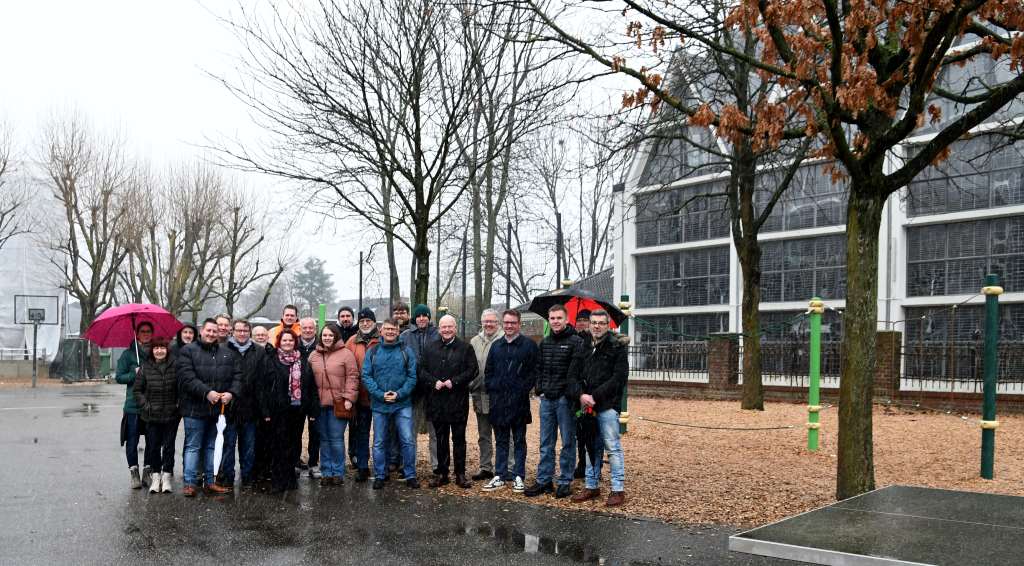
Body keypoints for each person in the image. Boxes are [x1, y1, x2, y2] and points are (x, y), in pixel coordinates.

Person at [176, 318, 242, 497]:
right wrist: (207, 392)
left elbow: (237, 376)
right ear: (201, 331)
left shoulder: (226, 353)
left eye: (214, 331)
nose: (212, 334)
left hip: (217, 410)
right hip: (194, 409)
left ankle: (210, 481)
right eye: (209, 331)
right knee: (193, 446)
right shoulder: (188, 351)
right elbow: (186, 378)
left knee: (212, 446)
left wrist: (231, 393)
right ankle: (190, 483)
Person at [568, 310, 628, 507]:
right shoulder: (583, 346)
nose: (596, 326)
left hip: (607, 405)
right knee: (589, 446)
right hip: (586, 405)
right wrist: (581, 395)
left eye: (601, 323)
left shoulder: (616, 348)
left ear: (607, 325)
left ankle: (618, 489)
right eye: (593, 322)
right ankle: (591, 485)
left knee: (612, 447)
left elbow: (618, 378)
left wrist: (596, 396)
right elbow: (572, 375)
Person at [525, 304, 584, 499]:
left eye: (559, 318)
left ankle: (565, 481)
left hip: (565, 400)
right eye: (552, 318)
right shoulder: (545, 342)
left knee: (568, 441)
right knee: (546, 442)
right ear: (548, 320)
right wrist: (539, 388)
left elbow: (575, 372)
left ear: (566, 320)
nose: (556, 321)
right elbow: (538, 368)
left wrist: (568, 393)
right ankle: (544, 480)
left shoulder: (576, 342)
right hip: (547, 400)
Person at [481, 309, 539, 494]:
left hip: (519, 401)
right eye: (506, 323)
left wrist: (522, 388)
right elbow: (488, 372)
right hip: (499, 401)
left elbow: (534, 371)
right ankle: (500, 474)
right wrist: (494, 386)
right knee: (501, 439)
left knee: (519, 440)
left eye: (512, 323)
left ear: (519, 324)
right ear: (502, 324)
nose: (509, 326)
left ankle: (518, 475)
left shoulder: (529, 346)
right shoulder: (496, 346)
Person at [419, 315, 477, 488]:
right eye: (443, 327)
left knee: (459, 439)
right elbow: (421, 370)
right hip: (436, 401)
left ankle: (460, 474)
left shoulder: (466, 348)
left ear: (455, 328)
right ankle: (442, 473)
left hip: (457, 401)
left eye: (449, 327)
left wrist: (455, 381)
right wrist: (432, 382)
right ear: (439, 329)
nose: (446, 330)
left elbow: (473, 369)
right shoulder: (430, 348)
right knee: (440, 438)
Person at [363, 318, 419, 490]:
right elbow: (366, 376)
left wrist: (399, 394)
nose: (390, 332)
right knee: (379, 441)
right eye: (387, 329)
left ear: (397, 331)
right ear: (381, 330)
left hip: (402, 403)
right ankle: (380, 474)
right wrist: (380, 394)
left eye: (393, 329)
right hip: (380, 404)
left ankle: (410, 474)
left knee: (407, 440)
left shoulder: (406, 351)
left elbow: (412, 376)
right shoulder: (373, 351)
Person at [260, 329, 318, 493]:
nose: (287, 343)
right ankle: (278, 481)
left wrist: (312, 409)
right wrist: (265, 411)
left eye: (291, 340)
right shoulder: (271, 360)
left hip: (297, 409)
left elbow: (311, 386)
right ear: (279, 342)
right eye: (284, 340)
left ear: (295, 342)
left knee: (293, 444)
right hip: (277, 410)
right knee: (278, 445)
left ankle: (290, 478)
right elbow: (263, 387)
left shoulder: (303, 360)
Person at [309, 322, 359, 486]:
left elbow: (353, 377)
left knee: (336, 439)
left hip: (339, 403)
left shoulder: (346, 354)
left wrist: (349, 399)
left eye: (330, 335)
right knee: (323, 439)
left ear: (336, 336)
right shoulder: (314, 355)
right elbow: (307, 380)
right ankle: (326, 471)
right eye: (324, 335)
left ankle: (337, 472)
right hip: (319, 405)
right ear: (320, 337)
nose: (327, 338)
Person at [222, 319, 267, 489]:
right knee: (229, 444)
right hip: (229, 406)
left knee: (248, 446)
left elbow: (262, 381)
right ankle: (227, 476)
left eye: (245, 330)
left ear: (249, 332)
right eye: (239, 330)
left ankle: (247, 476)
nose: (242, 333)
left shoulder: (259, 351)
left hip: (251, 407)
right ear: (232, 331)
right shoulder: (224, 349)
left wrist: (262, 408)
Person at [468, 309, 512, 481]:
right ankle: (486, 466)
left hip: (500, 395)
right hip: (480, 393)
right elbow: (470, 368)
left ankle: (507, 467)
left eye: (492, 321)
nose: (488, 324)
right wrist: (472, 385)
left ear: (498, 322)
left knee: (503, 433)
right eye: (485, 321)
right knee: (484, 433)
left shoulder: (505, 340)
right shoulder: (474, 341)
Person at [133, 336, 178, 494]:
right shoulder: (145, 367)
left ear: (167, 349)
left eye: (162, 348)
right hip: (151, 415)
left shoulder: (175, 365)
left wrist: (177, 405)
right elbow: (137, 390)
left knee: (169, 447)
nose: (159, 351)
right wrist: (146, 405)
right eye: (156, 348)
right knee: (152, 447)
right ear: (152, 351)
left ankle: (166, 477)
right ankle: (156, 476)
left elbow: (181, 387)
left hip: (171, 414)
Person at [399, 303, 440, 475]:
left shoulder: (438, 334)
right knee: (410, 431)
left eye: (425, 315)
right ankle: (409, 466)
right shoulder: (406, 336)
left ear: (429, 318)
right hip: (413, 390)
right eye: (419, 316)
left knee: (435, 431)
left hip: (433, 390)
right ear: (414, 318)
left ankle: (437, 466)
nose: (422, 318)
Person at [115, 321, 153, 489]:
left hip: (152, 404)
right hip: (133, 405)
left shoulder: (155, 353)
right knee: (132, 441)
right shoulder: (128, 355)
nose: (146, 334)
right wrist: (133, 373)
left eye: (148, 331)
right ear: (137, 334)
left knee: (153, 441)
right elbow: (119, 377)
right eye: (142, 331)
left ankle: (147, 472)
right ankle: (134, 472)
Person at [344, 307, 379, 482]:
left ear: (374, 322)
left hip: (380, 396)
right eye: (362, 321)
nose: (365, 323)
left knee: (381, 435)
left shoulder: (382, 339)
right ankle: (363, 467)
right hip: (361, 397)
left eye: (368, 321)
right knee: (361, 432)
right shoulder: (351, 342)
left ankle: (382, 467)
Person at [296, 317, 321, 478]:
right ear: (300, 328)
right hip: (296, 397)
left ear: (315, 329)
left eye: (310, 328)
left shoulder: (320, 346)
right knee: (295, 432)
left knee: (315, 432)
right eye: (304, 328)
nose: (307, 330)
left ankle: (313, 463)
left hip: (315, 396)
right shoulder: (293, 345)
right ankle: (295, 462)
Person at [572, 309, 592, 479]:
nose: (581, 323)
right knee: (578, 432)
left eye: (585, 320)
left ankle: (593, 466)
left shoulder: (592, 342)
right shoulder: (573, 339)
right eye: (579, 320)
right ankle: (581, 464)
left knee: (590, 433)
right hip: (575, 393)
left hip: (590, 394)